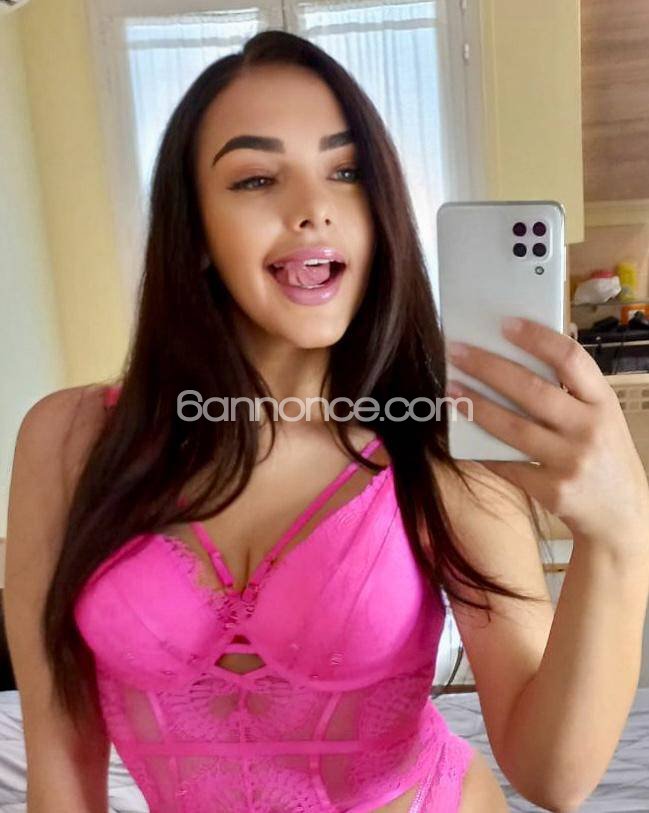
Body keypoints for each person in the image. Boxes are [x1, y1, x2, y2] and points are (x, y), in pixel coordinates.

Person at [5, 29, 649, 813]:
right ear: (194, 229)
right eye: (255, 178)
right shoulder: (68, 442)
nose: (314, 208)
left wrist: (618, 533)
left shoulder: (440, 452)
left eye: (346, 173)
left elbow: (552, 772)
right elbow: (61, 762)